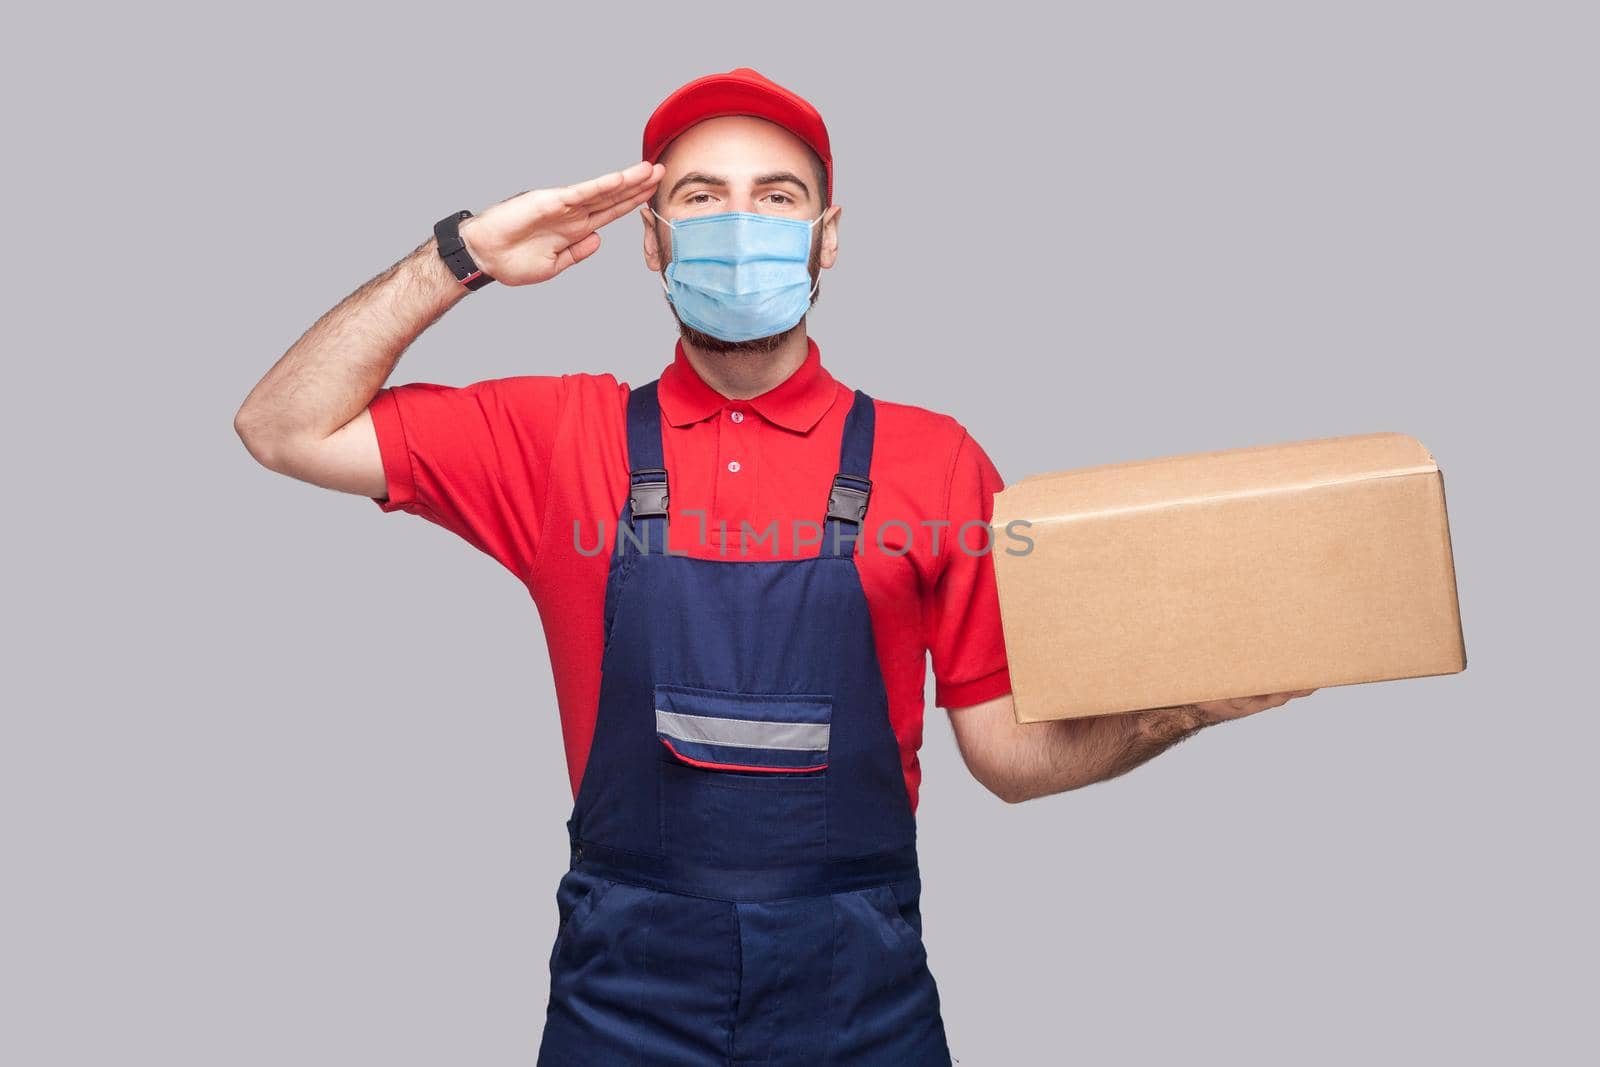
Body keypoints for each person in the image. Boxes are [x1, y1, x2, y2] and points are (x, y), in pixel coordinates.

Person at [234, 66, 1314, 1067]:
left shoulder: (935, 461)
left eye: (778, 196)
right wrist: (463, 250)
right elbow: (283, 427)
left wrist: (1186, 709)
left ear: (827, 236)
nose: (740, 224)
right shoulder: (557, 436)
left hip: (860, 995)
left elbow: (1008, 756)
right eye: (700, 198)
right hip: (625, 999)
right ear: (650, 241)